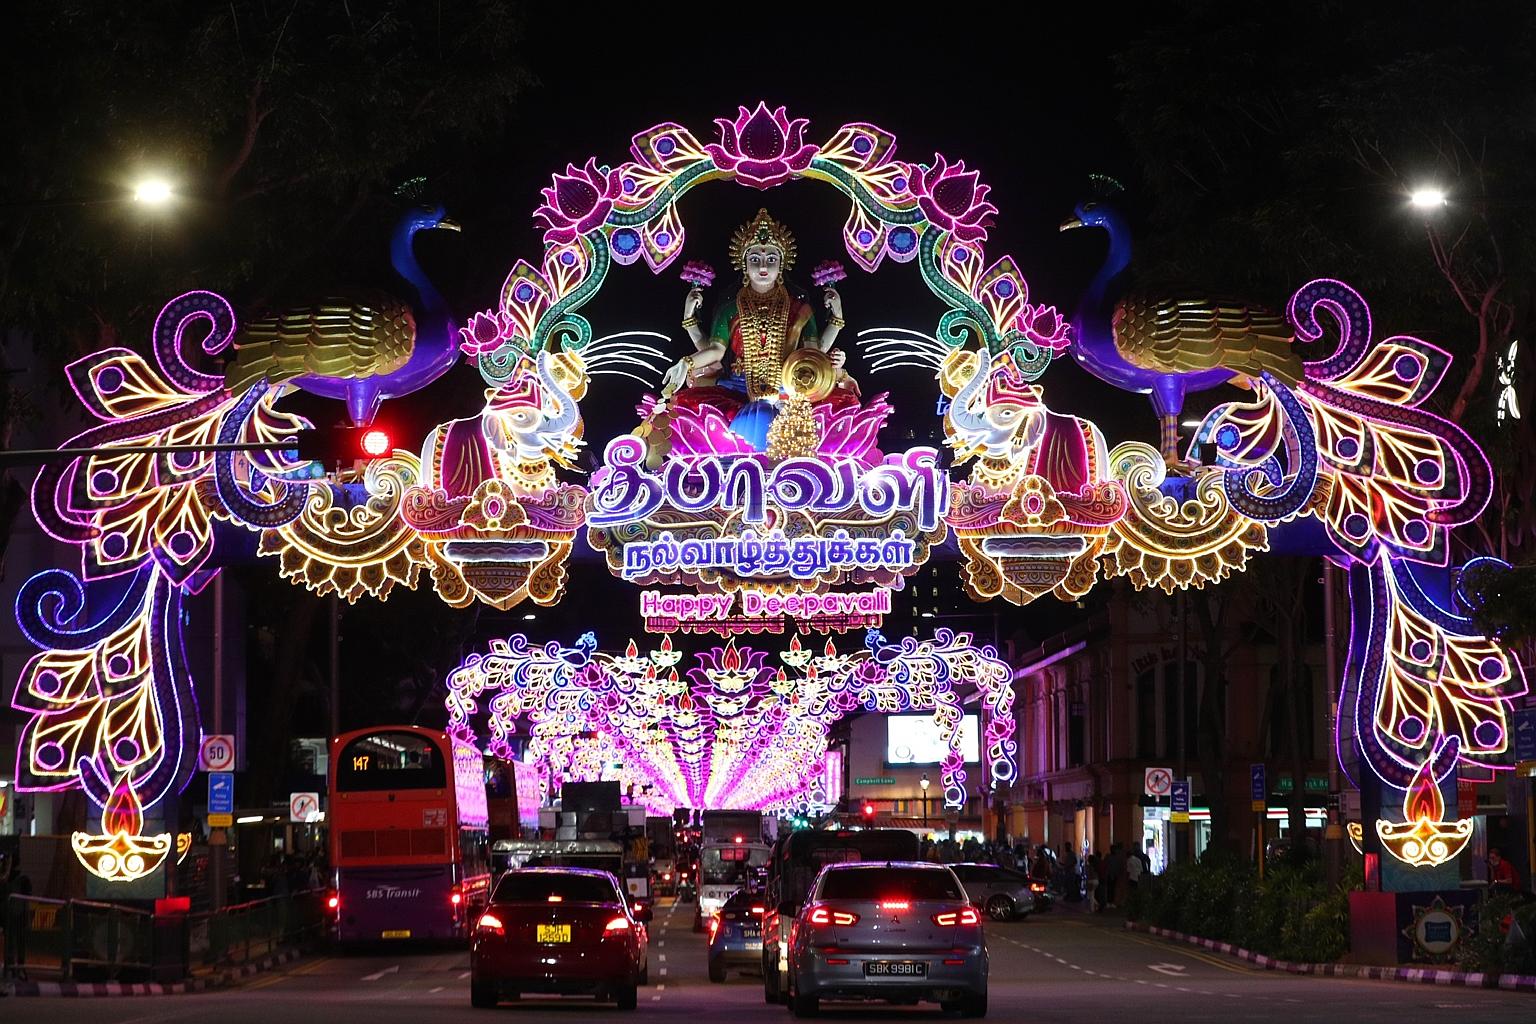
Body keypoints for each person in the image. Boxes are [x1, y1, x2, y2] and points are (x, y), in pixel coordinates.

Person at [651, 209, 860, 457]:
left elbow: (814, 353)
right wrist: (686, 354)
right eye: (755, 259)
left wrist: (836, 317)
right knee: (687, 406)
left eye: (771, 259)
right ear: (744, 264)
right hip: (736, 388)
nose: (763, 266)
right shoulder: (731, 306)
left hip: (790, 388)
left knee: (843, 404)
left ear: (781, 265)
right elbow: (716, 351)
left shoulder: (798, 305)